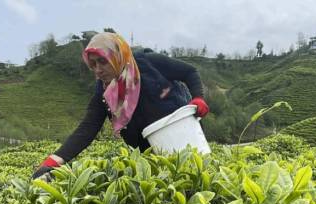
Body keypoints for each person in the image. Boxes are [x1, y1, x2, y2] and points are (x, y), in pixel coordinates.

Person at [32, 32, 209, 179]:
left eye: (102, 61)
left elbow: (189, 72)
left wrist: (198, 98)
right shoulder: (104, 92)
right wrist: (53, 161)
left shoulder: (148, 62)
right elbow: (88, 128)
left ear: (116, 56)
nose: (97, 70)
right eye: (92, 64)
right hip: (149, 151)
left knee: (198, 174)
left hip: (182, 131)